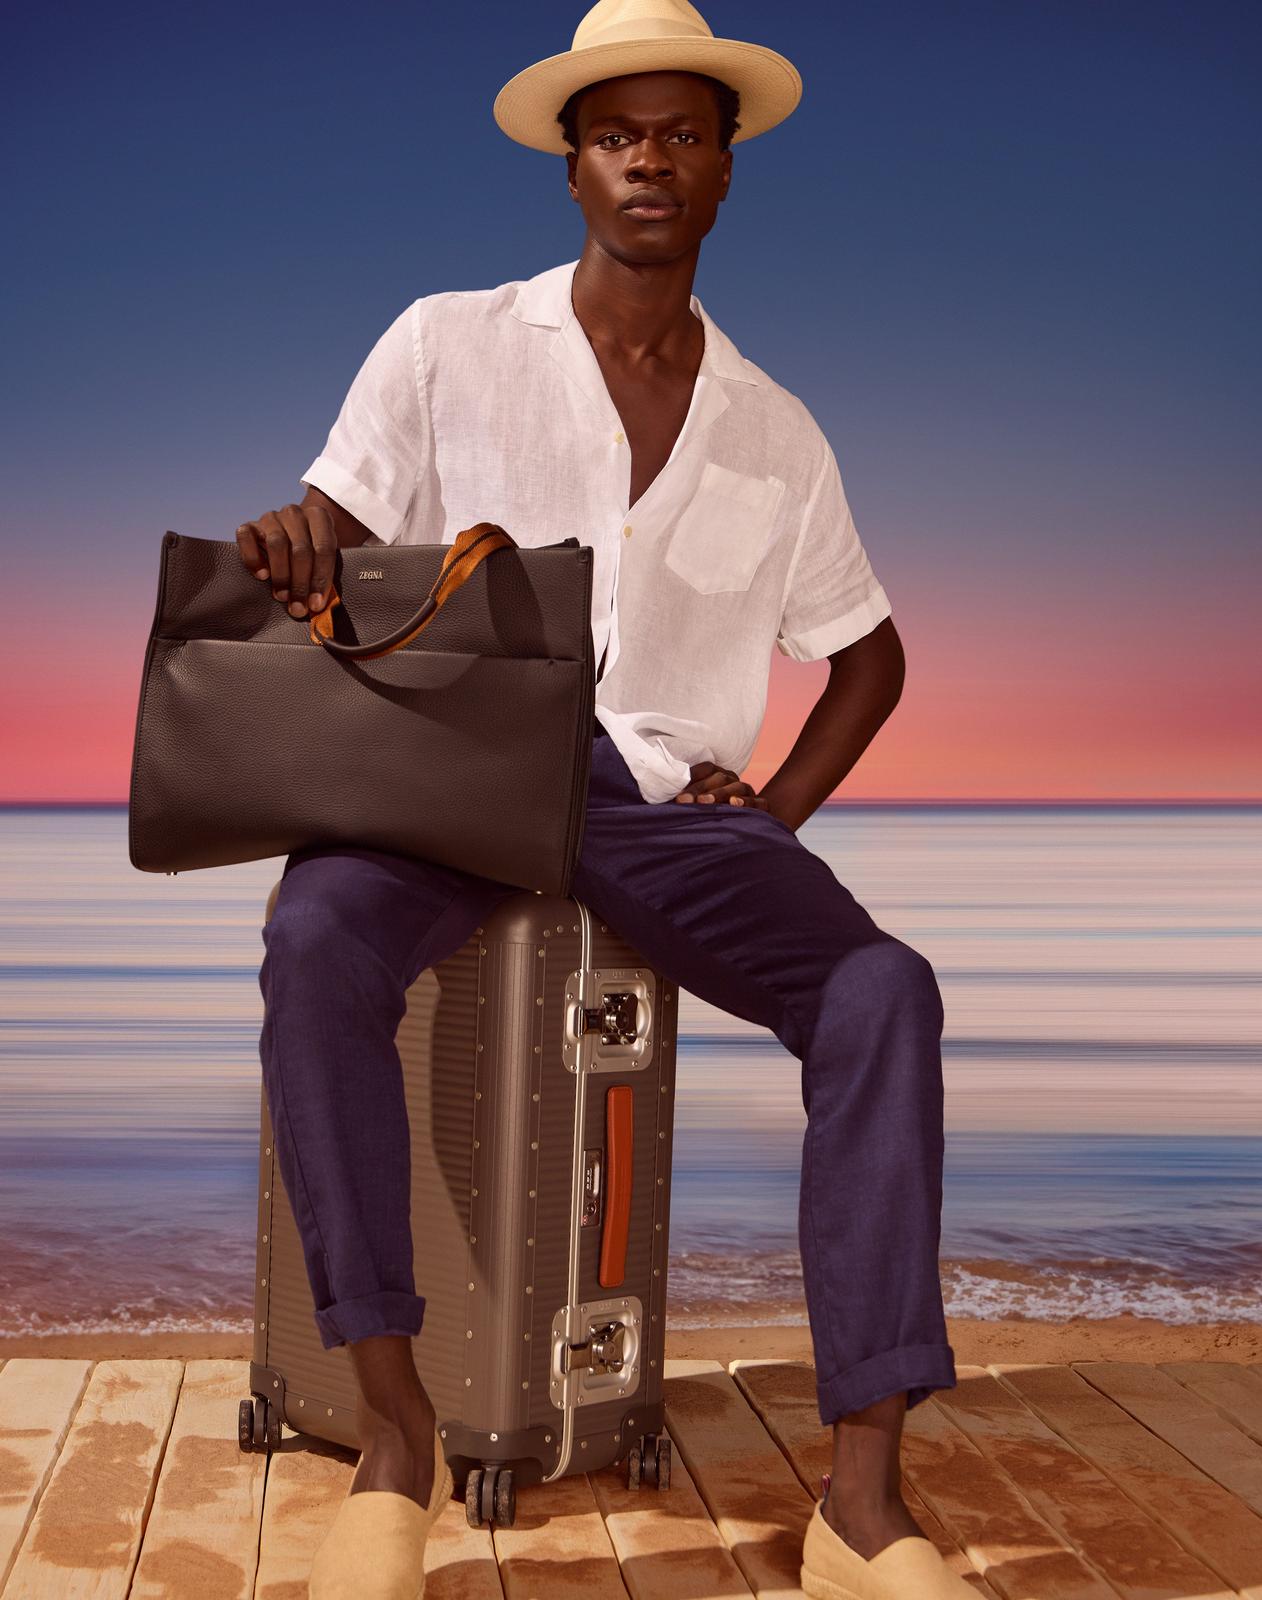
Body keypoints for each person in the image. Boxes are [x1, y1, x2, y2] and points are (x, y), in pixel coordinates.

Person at [240, 3, 970, 1596]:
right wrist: (295, 540)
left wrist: (768, 818)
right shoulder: (446, 341)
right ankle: (391, 1437)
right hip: (449, 776)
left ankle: (862, 1505)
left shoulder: (777, 435)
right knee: (316, 948)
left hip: (662, 811)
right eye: (617, 131)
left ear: (724, 175)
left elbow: (871, 656)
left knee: (883, 994)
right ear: (574, 167)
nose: (651, 155)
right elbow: (333, 517)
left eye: (684, 133)